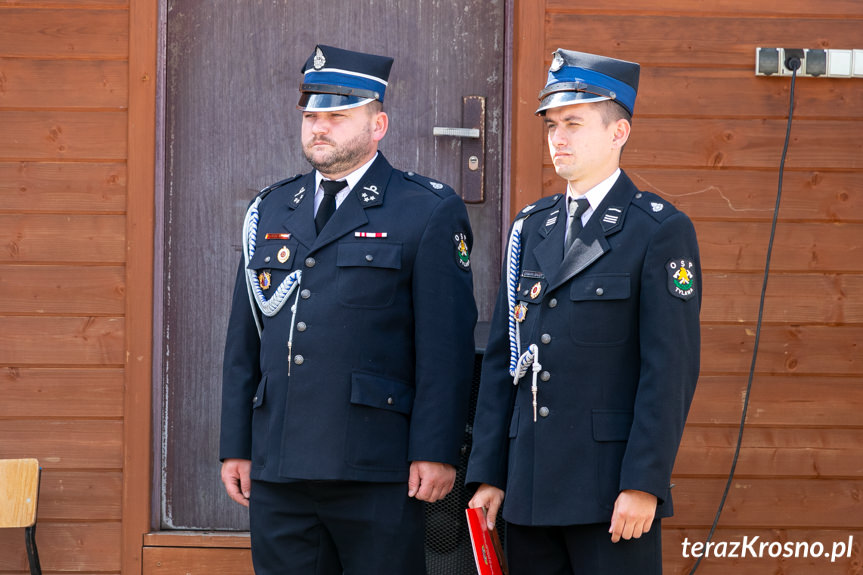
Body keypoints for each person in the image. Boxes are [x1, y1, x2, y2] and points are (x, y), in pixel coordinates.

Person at [219, 44, 478, 575]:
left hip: (376, 466)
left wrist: (437, 449)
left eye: (337, 116)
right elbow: (245, 338)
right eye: (312, 115)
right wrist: (236, 445)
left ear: (378, 124)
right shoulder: (270, 207)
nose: (320, 127)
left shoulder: (425, 209)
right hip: (279, 463)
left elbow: (445, 347)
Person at [466, 48, 701, 574]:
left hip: (610, 493)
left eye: (573, 123)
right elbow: (505, 359)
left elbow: (669, 371)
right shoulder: (531, 227)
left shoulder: (658, 230)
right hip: (529, 490)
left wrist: (644, 483)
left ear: (619, 133)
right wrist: (490, 473)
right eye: (552, 126)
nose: (558, 139)